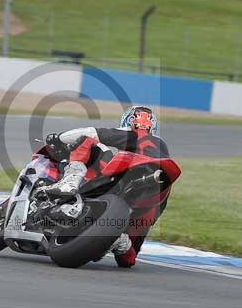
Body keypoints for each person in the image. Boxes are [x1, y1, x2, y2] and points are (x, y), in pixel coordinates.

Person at [41, 106, 170, 268]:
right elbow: (128, 261)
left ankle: (71, 180)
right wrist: (120, 240)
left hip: (125, 181)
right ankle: (120, 241)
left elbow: (90, 132)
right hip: (154, 196)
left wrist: (59, 138)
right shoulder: (159, 151)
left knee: (86, 140)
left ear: (127, 122)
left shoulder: (133, 135)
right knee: (128, 256)